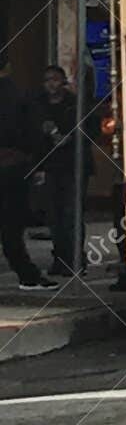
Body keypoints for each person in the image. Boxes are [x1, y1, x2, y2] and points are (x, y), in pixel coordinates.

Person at [31, 64, 93, 277]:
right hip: (50, 166)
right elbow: (32, 136)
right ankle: (59, 258)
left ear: (63, 81)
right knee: (54, 215)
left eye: (55, 80)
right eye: (48, 80)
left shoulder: (75, 104)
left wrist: (71, 137)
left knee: (71, 214)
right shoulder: (38, 105)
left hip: (74, 165)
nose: (52, 85)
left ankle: (75, 259)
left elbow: (89, 130)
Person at [0, 54, 48, 290]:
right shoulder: (19, 95)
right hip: (13, 165)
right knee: (12, 225)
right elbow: (33, 132)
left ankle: (27, 273)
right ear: (8, 67)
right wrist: (36, 160)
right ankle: (27, 274)